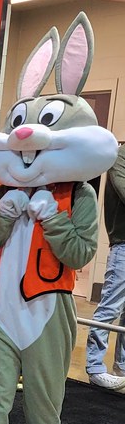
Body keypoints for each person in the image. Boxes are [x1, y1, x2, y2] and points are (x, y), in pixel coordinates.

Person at [86, 142, 125, 391]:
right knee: (110, 307)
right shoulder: (120, 156)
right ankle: (94, 366)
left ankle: (122, 367)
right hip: (123, 245)